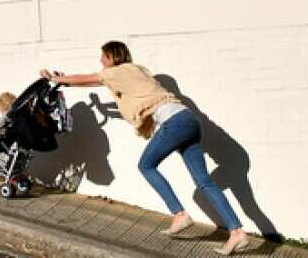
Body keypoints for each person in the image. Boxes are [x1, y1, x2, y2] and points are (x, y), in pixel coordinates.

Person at [41, 41, 249, 255]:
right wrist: (71, 85)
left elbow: (87, 80)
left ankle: (179, 214)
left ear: (112, 57)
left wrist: (56, 79)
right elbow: (135, 101)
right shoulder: (135, 71)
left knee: (146, 165)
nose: (100, 61)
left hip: (174, 124)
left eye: (103, 56)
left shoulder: (117, 71)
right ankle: (237, 232)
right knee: (203, 181)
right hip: (188, 120)